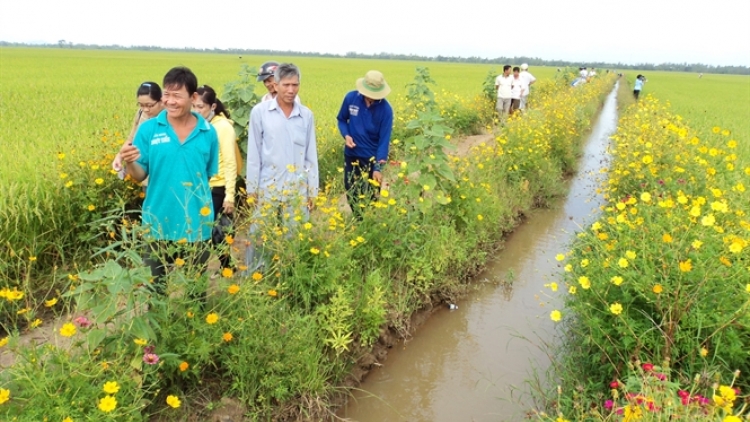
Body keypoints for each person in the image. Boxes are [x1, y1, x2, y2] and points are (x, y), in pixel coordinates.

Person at [119, 66, 219, 294]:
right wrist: (129, 162)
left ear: (193, 98)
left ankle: (193, 330)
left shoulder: (208, 132)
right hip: (157, 222)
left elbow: (207, 174)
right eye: (167, 94)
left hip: (196, 225)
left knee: (195, 293)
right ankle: (160, 331)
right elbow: (139, 175)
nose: (170, 101)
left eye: (177, 95)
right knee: (155, 292)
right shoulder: (148, 129)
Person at [245, 63, 318, 269]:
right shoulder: (260, 113)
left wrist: (312, 191)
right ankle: (255, 277)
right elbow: (254, 154)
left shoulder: (306, 115)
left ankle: (292, 275)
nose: (291, 90)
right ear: (276, 85)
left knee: (296, 236)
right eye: (286, 85)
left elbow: (311, 156)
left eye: (295, 85)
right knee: (260, 234)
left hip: (297, 188)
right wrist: (252, 188)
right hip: (267, 184)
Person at [193, 85, 242, 273]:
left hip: (217, 187)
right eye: (194, 106)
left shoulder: (222, 127)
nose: (196, 111)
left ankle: (223, 269)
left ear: (212, 106)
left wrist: (230, 196)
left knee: (213, 232)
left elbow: (230, 163)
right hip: (201, 186)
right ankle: (226, 268)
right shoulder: (201, 125)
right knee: (208, 232)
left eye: (200, 107)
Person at [336, 70, 394, 220]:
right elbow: (342, 119)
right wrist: (346, 135)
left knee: (371, 193)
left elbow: (384, 141)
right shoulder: (351, 98)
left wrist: (378, 168)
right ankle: (358, 220)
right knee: (351, 189)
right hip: (352, 154)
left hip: (372, 158)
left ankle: (368, 222)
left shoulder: (386, 110)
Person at [112, 82, 164, 179]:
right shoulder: (141, 114)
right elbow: (131, 138)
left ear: (161, 101)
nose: (146, 109)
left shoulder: (170, 119)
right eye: (141, 105)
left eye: (150, 105)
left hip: (161, 177)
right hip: (142, 175)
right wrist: (119, 156)